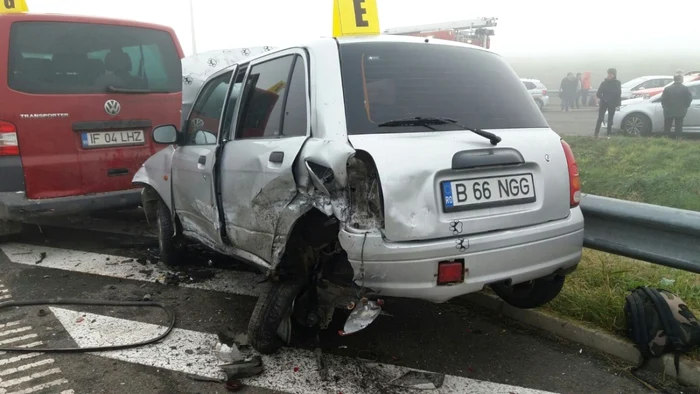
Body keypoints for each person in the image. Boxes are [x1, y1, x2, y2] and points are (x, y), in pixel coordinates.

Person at [660, 73, 693, 138]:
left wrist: (664, 106)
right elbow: (689, 98)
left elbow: (663, 99)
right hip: (680, 110)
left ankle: (666, 138)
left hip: (668, 110)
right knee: (679, 126)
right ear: (681, 79)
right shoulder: (685, 88)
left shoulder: (667, 88)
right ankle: (678, 138)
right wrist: (686, 106)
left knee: (667, 125)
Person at [594, 68, 622, 138]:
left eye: (611, 74)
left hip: (612, 103)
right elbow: (598, 94)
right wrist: (604, 99)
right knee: (600, 118)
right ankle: (596, 133)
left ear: (614, 75)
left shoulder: (617, 83)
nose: (609, 75)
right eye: (608, 74)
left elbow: (618, 94)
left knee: (610, 119)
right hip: (604, 103)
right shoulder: (604, 83)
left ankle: (608, 134)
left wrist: (618, 104)